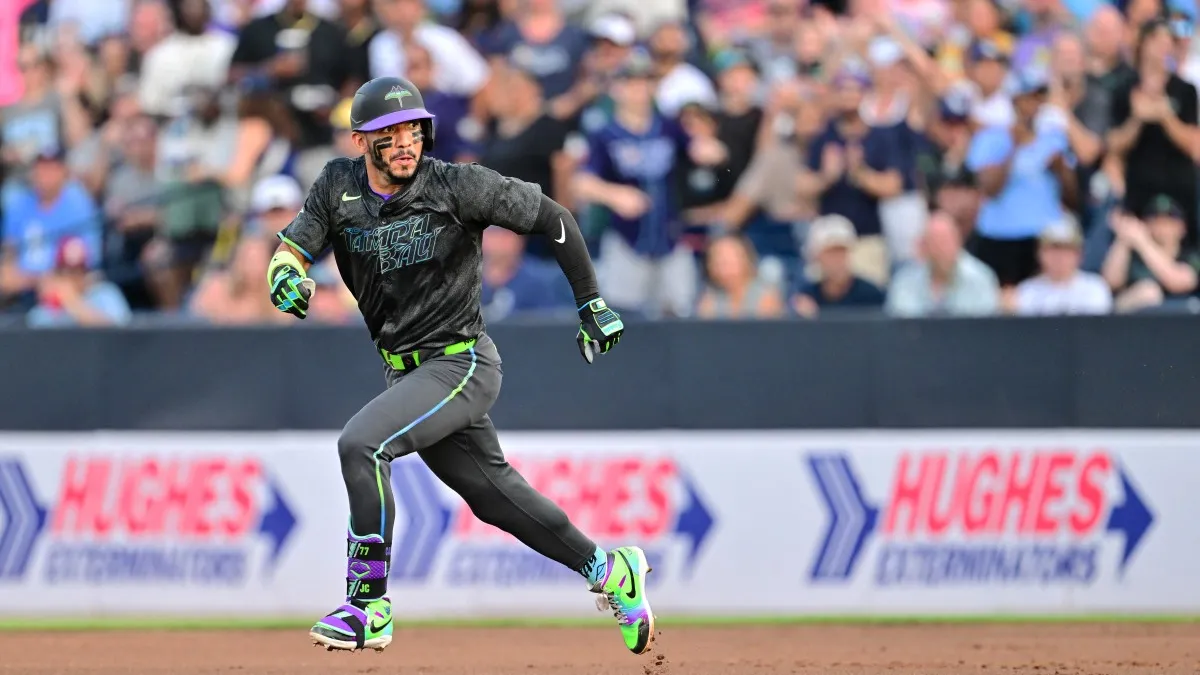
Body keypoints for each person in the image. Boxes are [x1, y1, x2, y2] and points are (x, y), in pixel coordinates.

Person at [268, 76, 649, 656]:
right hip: (405, 371)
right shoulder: (337, 184)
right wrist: (284, 272)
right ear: (360, 140)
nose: (405, 142)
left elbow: (555, 219)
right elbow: (293, 247)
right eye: (389, 132)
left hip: (460, 361)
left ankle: (368, 606)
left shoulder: (458, 184)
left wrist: (590, 302)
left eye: (413, 129)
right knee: (496, 498)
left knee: (362, 445)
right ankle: (610, 570)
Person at [886, 210, 1001, 317]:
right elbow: (898, 324)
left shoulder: (981, 278)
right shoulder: (904, 282)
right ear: (925, 247)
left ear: (958, 241)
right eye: (935, 243)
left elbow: (985, 326)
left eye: (946, 241)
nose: (942, 250)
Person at [1012, 216, 1112, 315]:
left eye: (1066, 250)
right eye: (1053, 250)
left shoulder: (1095, 288)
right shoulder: (1027, 291)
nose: (1059, 257)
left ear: (1079, 254)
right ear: (1040, 253)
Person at [791, 214, 886, 318]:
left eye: (841, 251)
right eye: (830, 253)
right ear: (817, 257)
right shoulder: (807, 296)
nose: (837, 259)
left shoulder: (871, 295)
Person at [695, 232, 785, 319]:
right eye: (718, 262)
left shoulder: (766, 297)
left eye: (730, 262)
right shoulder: (710, 299)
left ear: (746, 259)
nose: (725, 269)